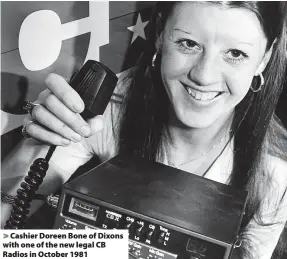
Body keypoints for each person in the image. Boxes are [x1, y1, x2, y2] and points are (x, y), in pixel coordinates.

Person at [1, 1, 287, 258]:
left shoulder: (275, 174)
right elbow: (10, 240)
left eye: (235, 53)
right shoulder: (112, 105)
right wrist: (38, 143)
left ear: (264, 57)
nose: (203, 75)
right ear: (161, 34)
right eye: (188, 43)